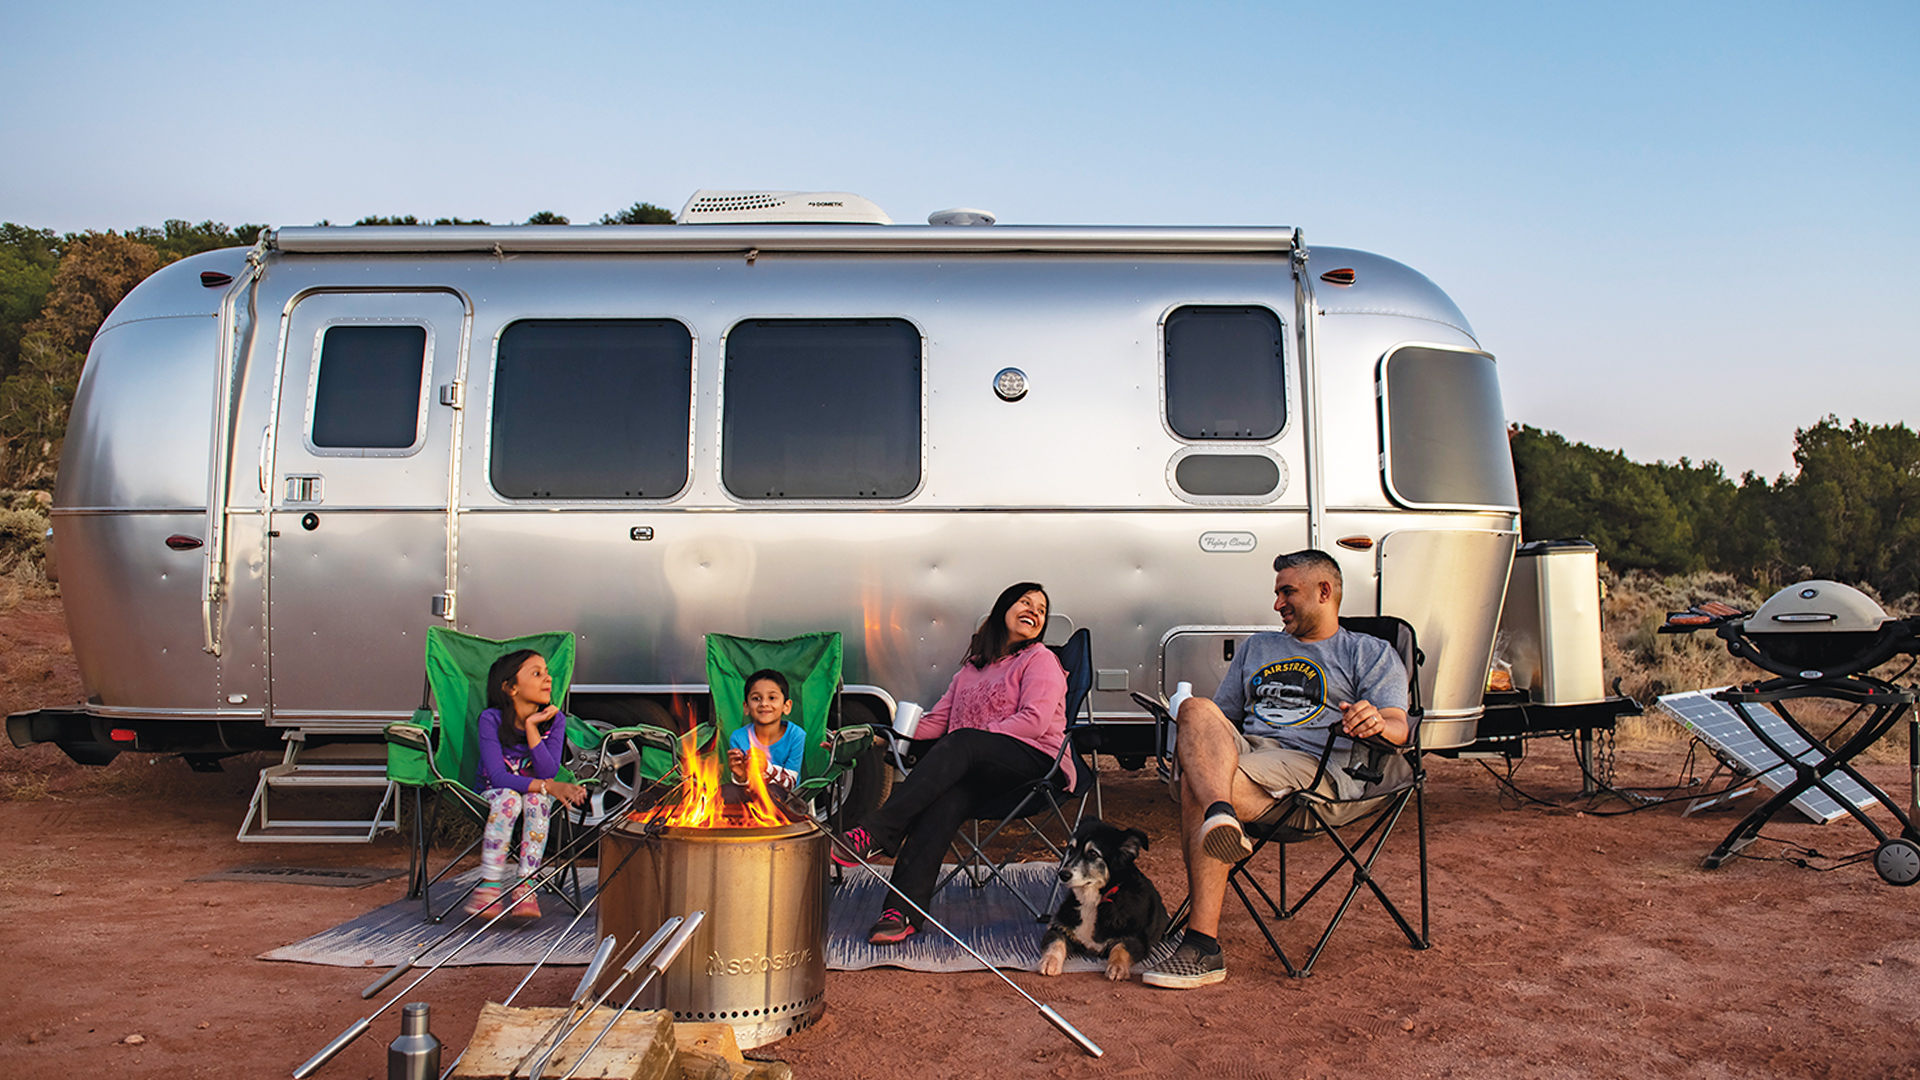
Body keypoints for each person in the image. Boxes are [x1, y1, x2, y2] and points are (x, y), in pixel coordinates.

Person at [1141, 549, 1409, 988]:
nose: (1277, 604)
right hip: (1248, 753)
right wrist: (1192, 722)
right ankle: (1220, 817)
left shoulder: (1367, 652)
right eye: (1277, 593)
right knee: (1194, 707)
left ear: (1324, 592)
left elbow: (1399, 725)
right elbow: (1219, 719)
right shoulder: (1258, 647)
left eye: (1288, 592)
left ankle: (1203, 942)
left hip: (1312, 768)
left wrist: (1377, 720)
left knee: (1199, 783)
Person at [834, 582, 1071, 944]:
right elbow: (938, 722)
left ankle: (877, 832)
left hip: (1034, 765)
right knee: (943, 800)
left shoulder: (1040, 660)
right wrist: (887, 734)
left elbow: (1035, 720)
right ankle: (903, 912)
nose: (1035, 612)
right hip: (978, 769)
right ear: (1003, 609)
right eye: (1026, 602)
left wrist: (979, 738)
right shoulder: (971, 670)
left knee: (962, 742)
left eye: (1041, 609)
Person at [469, 649, 588, 918]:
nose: (547, 679)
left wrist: (533, 727)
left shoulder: (554, 720)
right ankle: (489, 885)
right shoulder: (491, 719)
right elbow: (498, 778)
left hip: (533, 797)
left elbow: (548, 770)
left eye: (547, 673)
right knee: (510, 797)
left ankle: (526, 886)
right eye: (536, 673)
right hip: (492, 796)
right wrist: (548, 787)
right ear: (511, 688)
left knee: (535, 799)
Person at [727, 668, 806, 791]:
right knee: (726, 792)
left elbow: (791, 783)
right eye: (756, 699)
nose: (764, 703)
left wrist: (766, 768)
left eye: (772, 698)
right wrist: (741, 776)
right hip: (751, 801)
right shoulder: (739, 737)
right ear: (746, 707)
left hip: (786, 801)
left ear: (786, 706)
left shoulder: (795, 735)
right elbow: (743, 789)